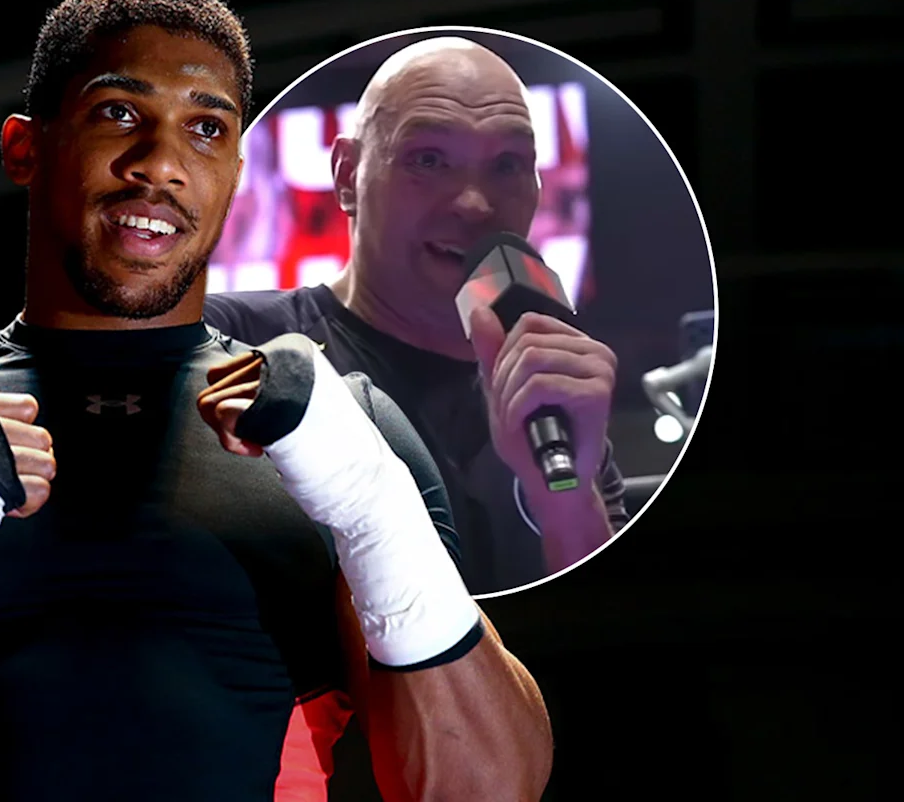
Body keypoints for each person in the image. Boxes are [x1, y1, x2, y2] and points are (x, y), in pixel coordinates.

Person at [0, 0, 550, 802]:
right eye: (119, 113)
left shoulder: (339, 431)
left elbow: (486, 788)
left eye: (207, 128)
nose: (160, 163)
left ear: (237, 170)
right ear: (26, 146)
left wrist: (369, 507)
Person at [205, 37, 631, 596]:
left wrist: (567, 503)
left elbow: (605, 626)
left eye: (507, 164)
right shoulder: (233, 342)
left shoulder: (551, 401)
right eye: (428, 160)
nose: (475, 204)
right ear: (346, 176)